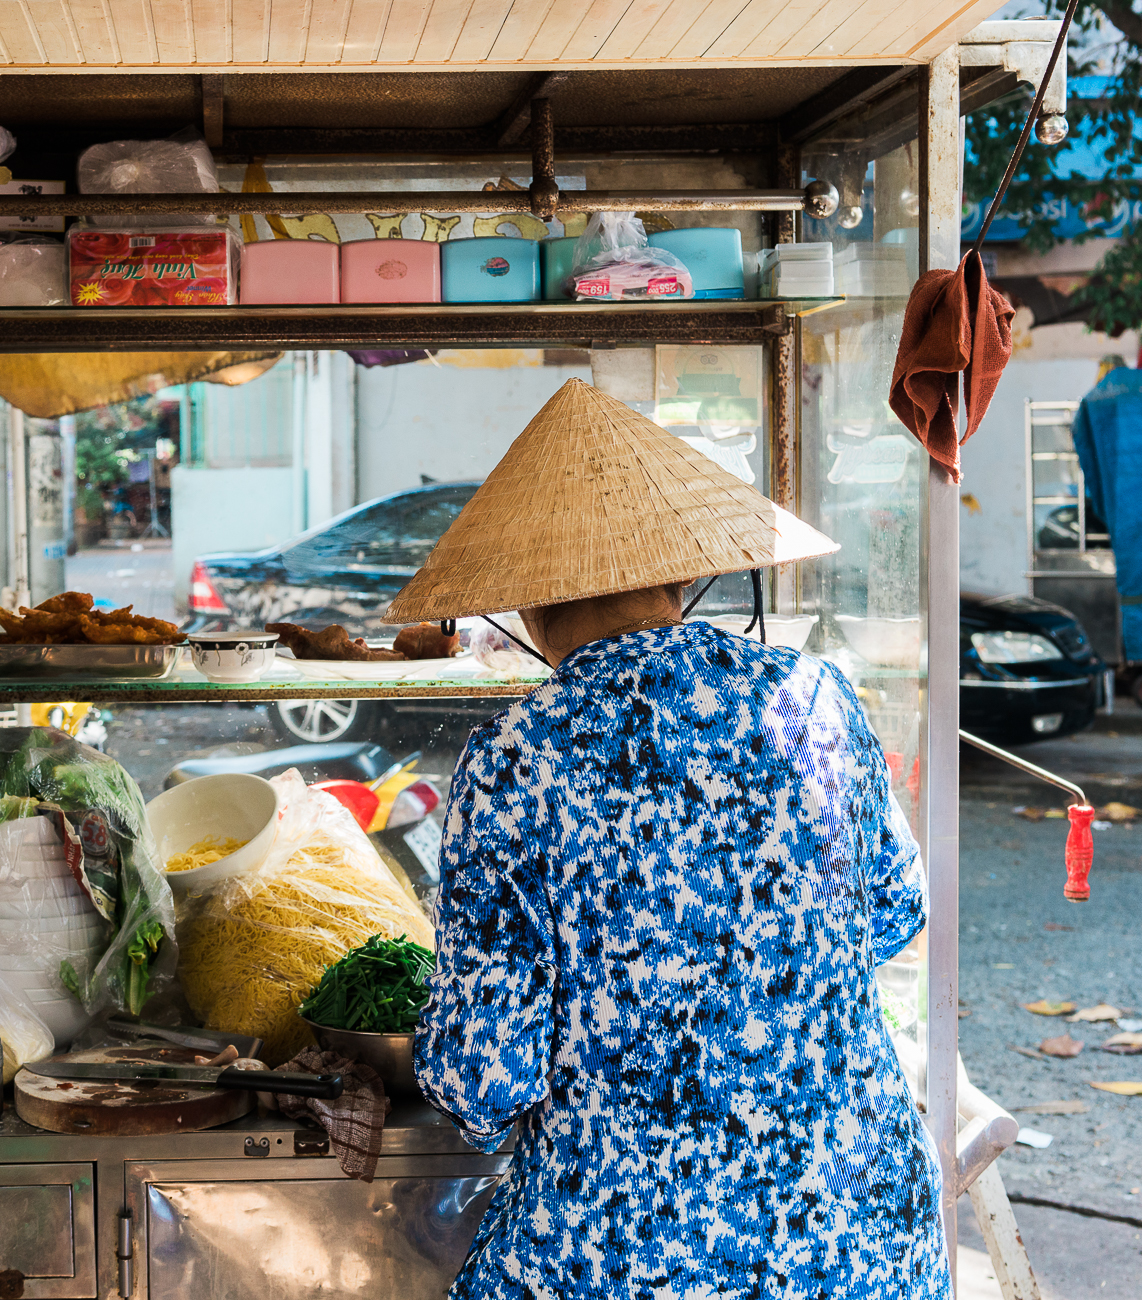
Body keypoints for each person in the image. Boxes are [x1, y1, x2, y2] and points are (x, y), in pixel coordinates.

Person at [389, 379, 948, 1300]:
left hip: (634, 1254)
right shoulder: (815, 696)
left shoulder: (520, 755)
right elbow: (892, 910)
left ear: (524, 605)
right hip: (866, 1229)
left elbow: (484, 1074)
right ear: (682, 573)